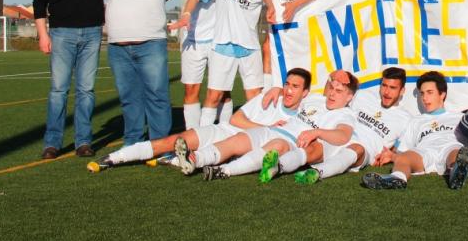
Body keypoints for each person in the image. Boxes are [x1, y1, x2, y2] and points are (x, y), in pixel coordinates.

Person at [86, 67, 309, 173]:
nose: (288, 90)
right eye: (287, 84)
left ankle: (176, 160)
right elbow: (237, 118)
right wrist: (267, 127)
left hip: (240, 144)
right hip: (224, 129)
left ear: (306, 92)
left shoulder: (308, 112)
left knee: (213, 154)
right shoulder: (270, 97)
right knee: (176, 139)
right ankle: (114, 158)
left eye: (295, 87)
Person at [33, 0, 118, 159]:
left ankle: (83, 141)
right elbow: (39, 2)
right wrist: (43, 35)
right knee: (58, 90)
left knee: (86, 91)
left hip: (92, 33)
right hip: (61, 34)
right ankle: (52, 143)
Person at [184, 69, 356, 180]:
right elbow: (295, 91)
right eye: (332, 89)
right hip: (276, 129)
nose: (332, 94)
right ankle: (196, 159)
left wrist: (317, 133)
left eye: (339, 91)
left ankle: (224, 171)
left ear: (349, 97)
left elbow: (343, 136)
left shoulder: (345, 115)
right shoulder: (316, 99)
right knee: (239, 140)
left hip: (292, 142)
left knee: (276, 147)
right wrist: (278, 89)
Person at [103, 0, 179, 146]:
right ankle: (133, 143)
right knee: (129, 99)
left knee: (157, 95)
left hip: (150, 44)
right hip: (118, 47)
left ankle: (160, 144)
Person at [168, 0, 264, 123]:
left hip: (250, 48)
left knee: (255, 98)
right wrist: (186, 14)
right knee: (214, 96)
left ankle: (252, 142)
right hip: (222, 46)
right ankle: (202, 141)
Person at [293, 67, 413, 185]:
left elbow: (402, 149)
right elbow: (330, 93)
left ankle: (317, 173)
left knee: (356, 148)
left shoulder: (405, 118)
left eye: (392, 88)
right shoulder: (363, 96)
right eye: (384, 85)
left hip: (364, 149)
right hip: (340, 135)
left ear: (402, 91)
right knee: (309, 145)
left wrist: (391, 155)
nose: (386, 92)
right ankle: (281, 165)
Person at [361, 71, 468, 190]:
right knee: (405, 158)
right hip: (424, 151)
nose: (424, 98)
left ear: (442, 94)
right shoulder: (416, 121)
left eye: (430, 93)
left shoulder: (459, 117)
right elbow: (403, 150)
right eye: (422, 93)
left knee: (457, 152)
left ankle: (455, 171)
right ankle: (397, 178)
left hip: (449, 146)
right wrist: (392, 155)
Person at [171, 0, 231, 129]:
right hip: (193, 38)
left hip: (221, 38)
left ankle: (224, 134)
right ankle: (193, 136)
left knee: (223, 91)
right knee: (190, 91)